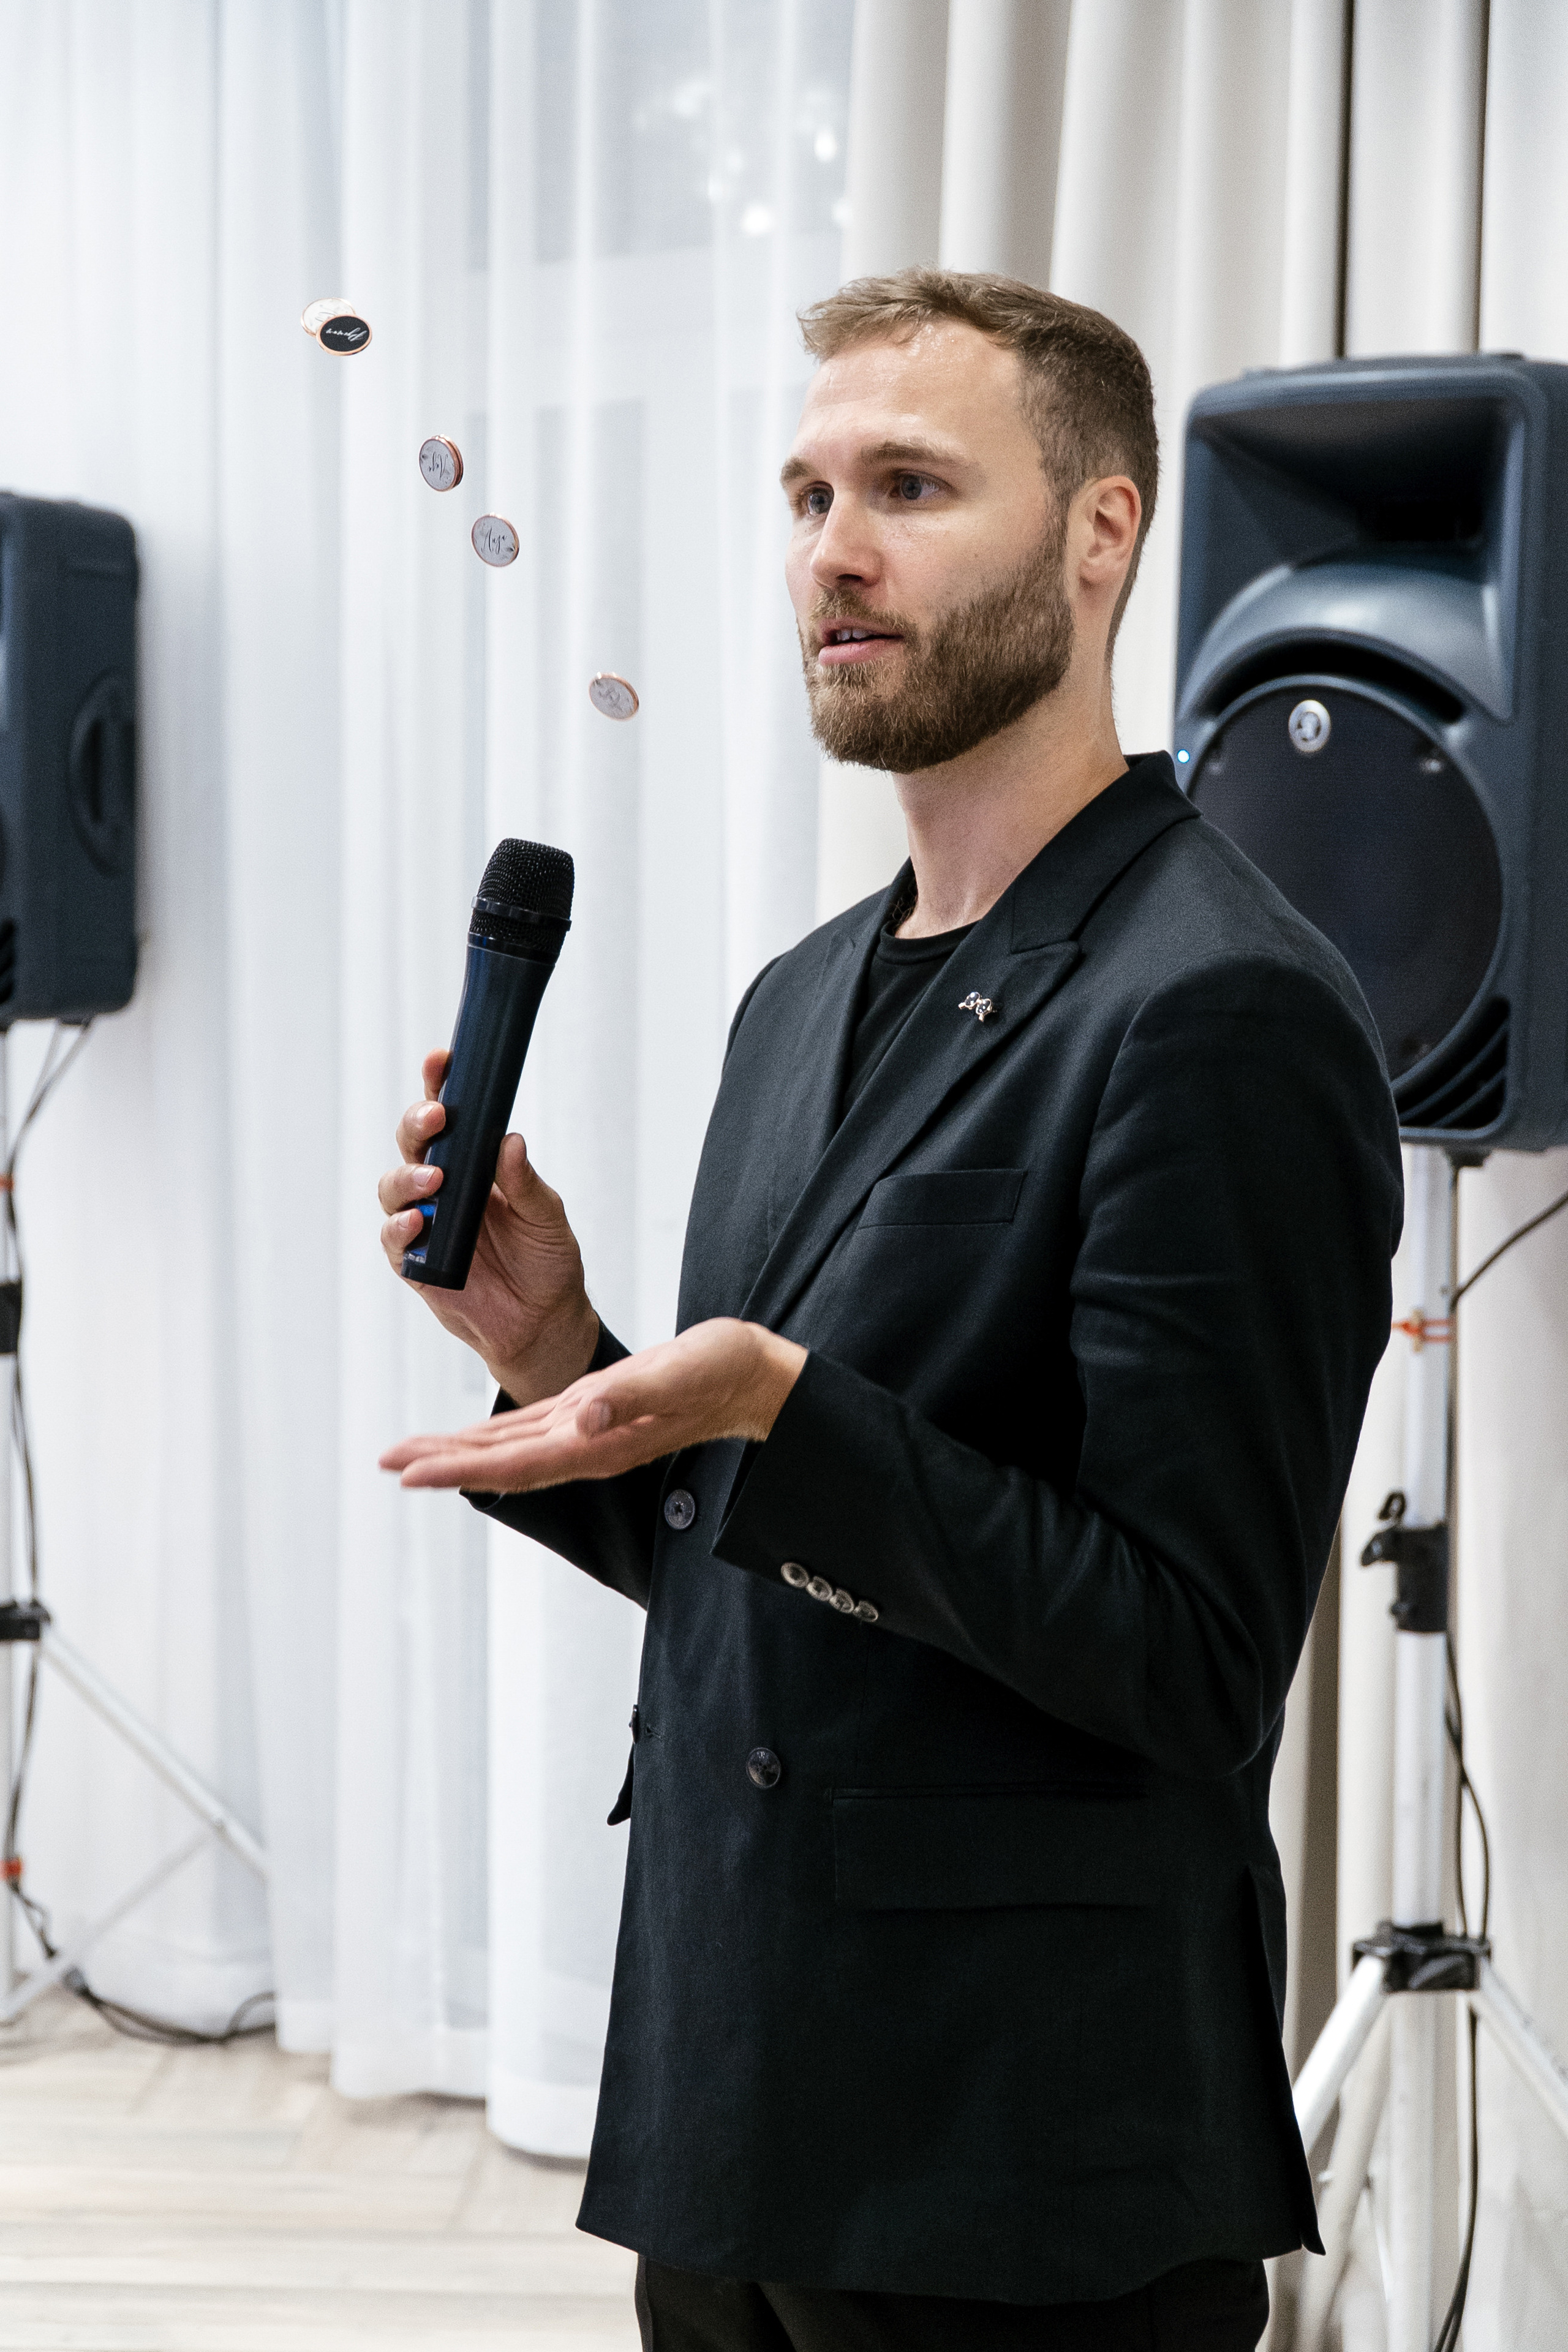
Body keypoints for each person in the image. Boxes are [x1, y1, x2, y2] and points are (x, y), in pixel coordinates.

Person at [379, 270, 1403, 2352]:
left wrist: (774, 1405)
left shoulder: (1222, 1005)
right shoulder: (796, 999)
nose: (830, 551)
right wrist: (558, 1359)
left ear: (1099, 535)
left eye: (911, 486)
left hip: (1018, 2154)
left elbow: (1194, 1660)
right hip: (738, 2083)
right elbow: (760, 1555)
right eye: (807, 489)